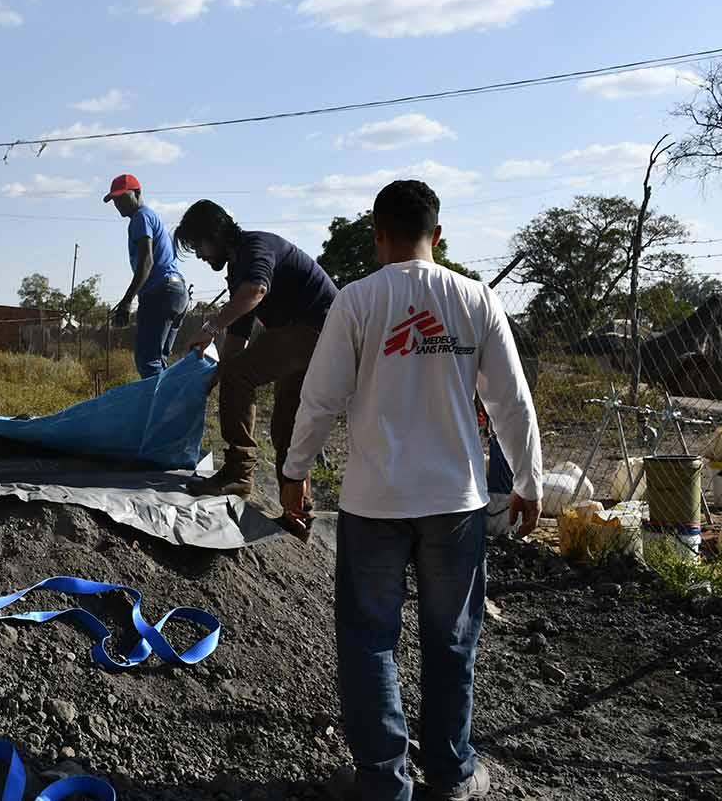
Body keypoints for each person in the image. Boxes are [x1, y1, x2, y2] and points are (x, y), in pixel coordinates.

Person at [280, 180, 543, 801]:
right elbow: (511, 401)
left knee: (370, 638)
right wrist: (529, 481)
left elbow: (319, 400)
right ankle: (452, 775)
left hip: (373, 502)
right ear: (439, 235)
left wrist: (294, 473)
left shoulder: (357, 301)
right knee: (452, 638)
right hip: (456, 503)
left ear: (377, 236)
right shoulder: (475, 299)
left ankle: (381, 782)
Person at [173, 199, 338, 498]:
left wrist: (210, 329)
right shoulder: (239, 268)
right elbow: (239, 331)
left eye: (199, 245)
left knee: (240, 376)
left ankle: (238, 473)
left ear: (215, 235)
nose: (198, 254)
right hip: (313, 338)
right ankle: (297, 515)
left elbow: (255, 292)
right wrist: (218, 373)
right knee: (286, 429)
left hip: (318, 330)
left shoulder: (255, 247)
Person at [105, 173, 189, 379]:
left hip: (161, 293)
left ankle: (156, 411)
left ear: (138, 193)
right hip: (177, 293)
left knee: (148, 361)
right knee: (157, 361)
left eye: (122, 198)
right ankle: (170, 408)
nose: (118, 204)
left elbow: (147, 261)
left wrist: (126, 301)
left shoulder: (140, 217)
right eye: (115, 200)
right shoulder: (151, 217)